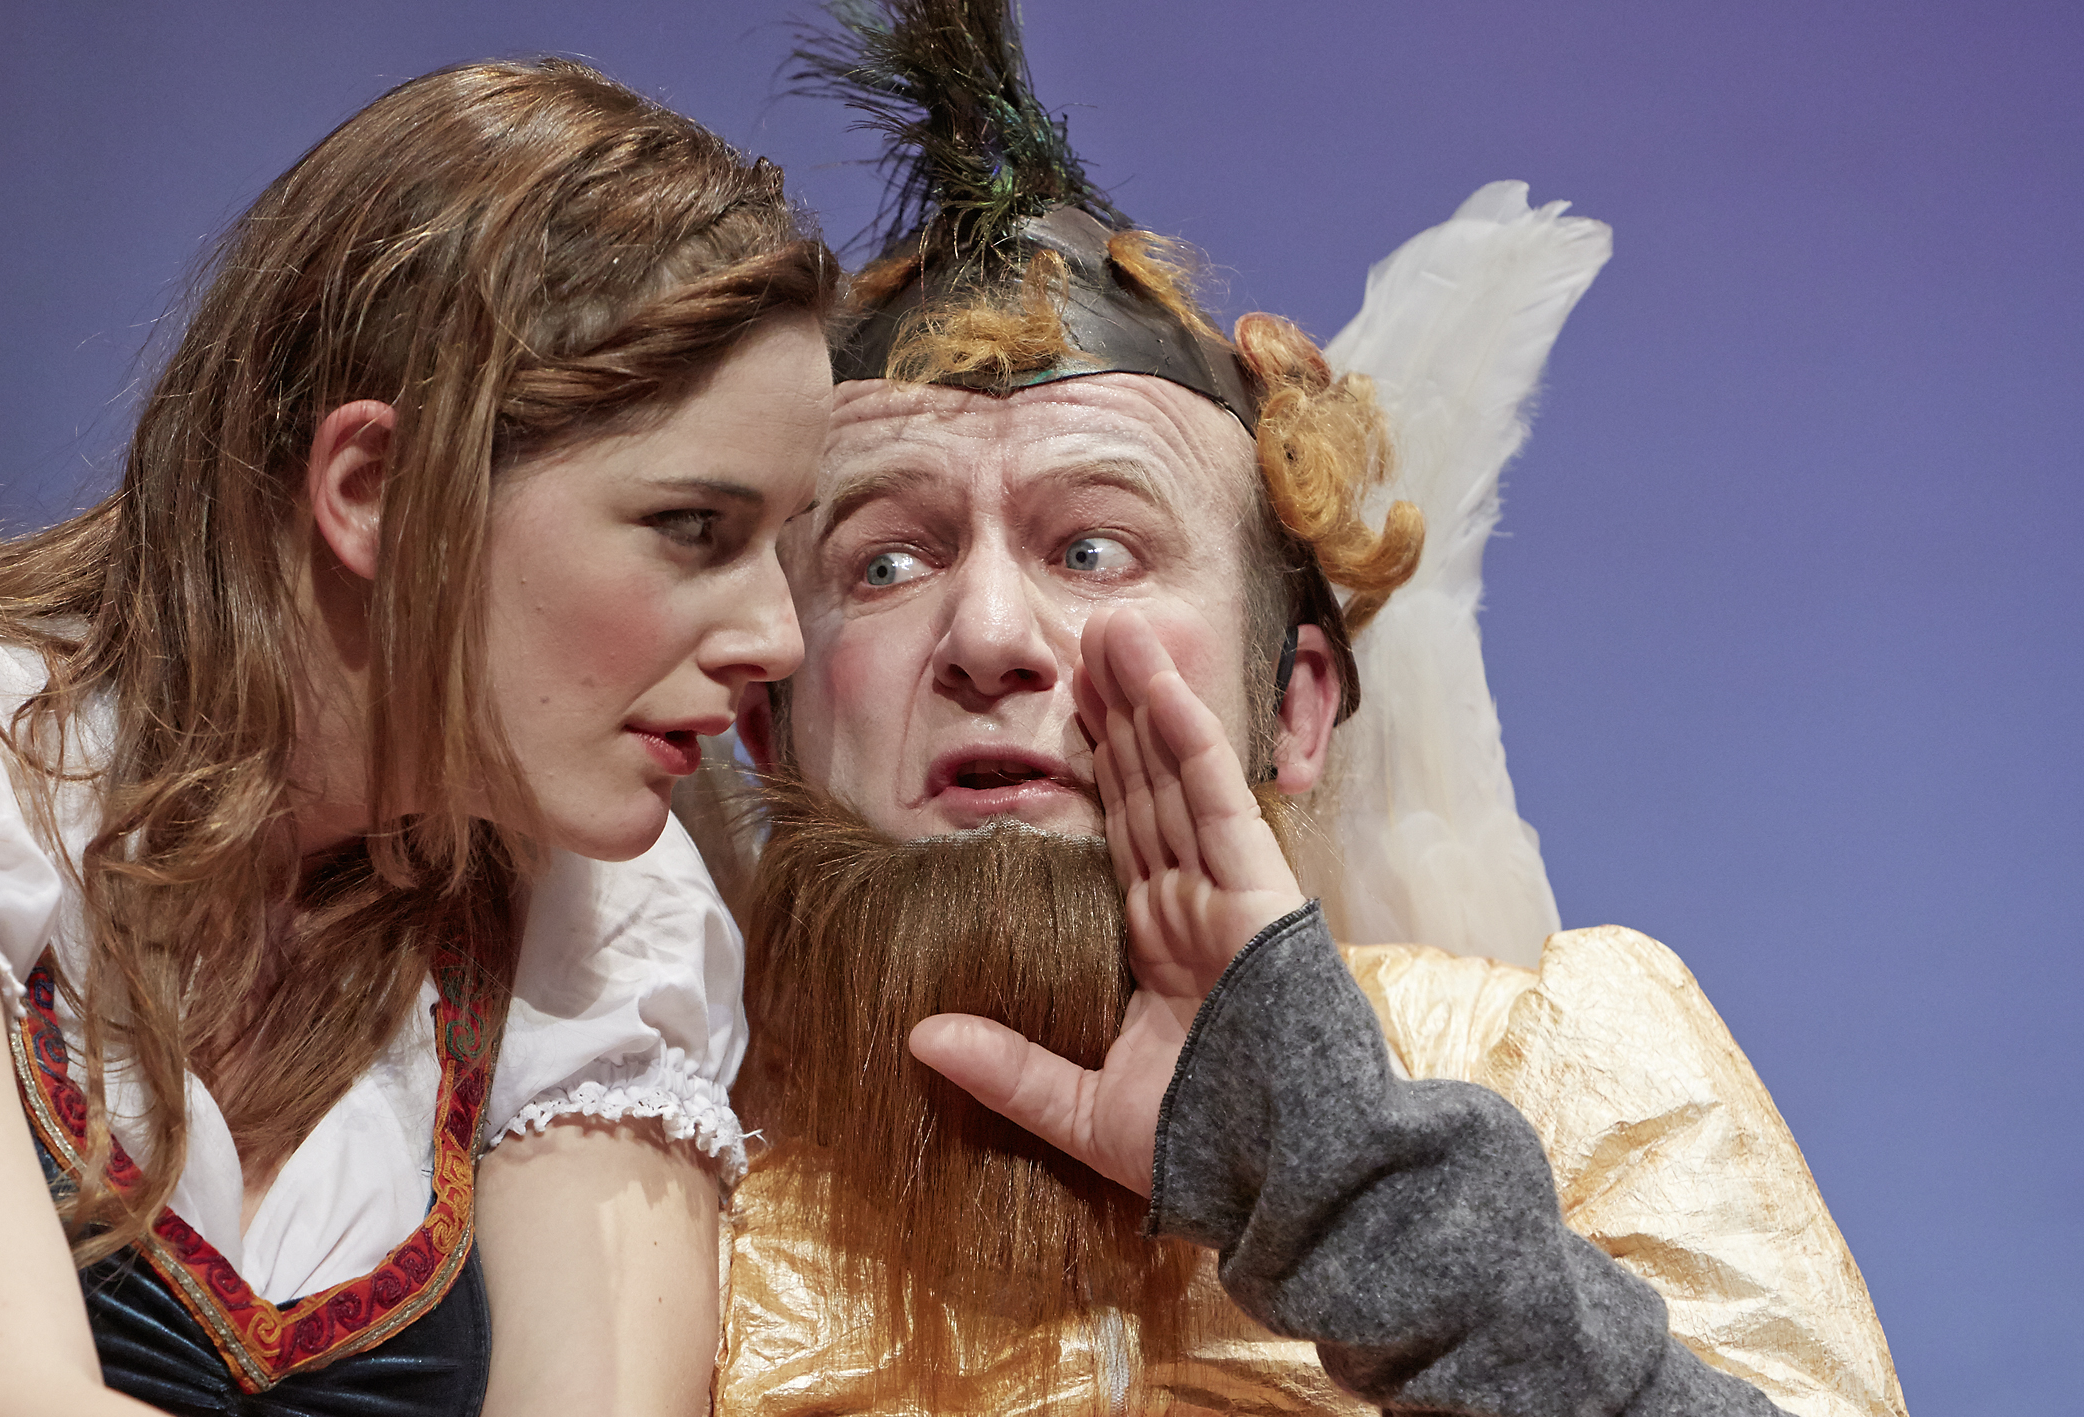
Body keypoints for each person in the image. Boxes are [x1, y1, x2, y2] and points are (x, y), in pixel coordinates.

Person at [686, 3, 1908, 1414]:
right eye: (888, 563)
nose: (991, 638)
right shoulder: (649, 1158)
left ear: (1295, 711)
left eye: (1093, 549)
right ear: (765, 726)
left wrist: (1344, 1178)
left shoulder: (1560, 1056)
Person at [0, 58, 836, 1417]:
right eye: (692, 528)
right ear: (373, 489)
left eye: (782, 544)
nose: (776, 637)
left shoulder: (608, 923)